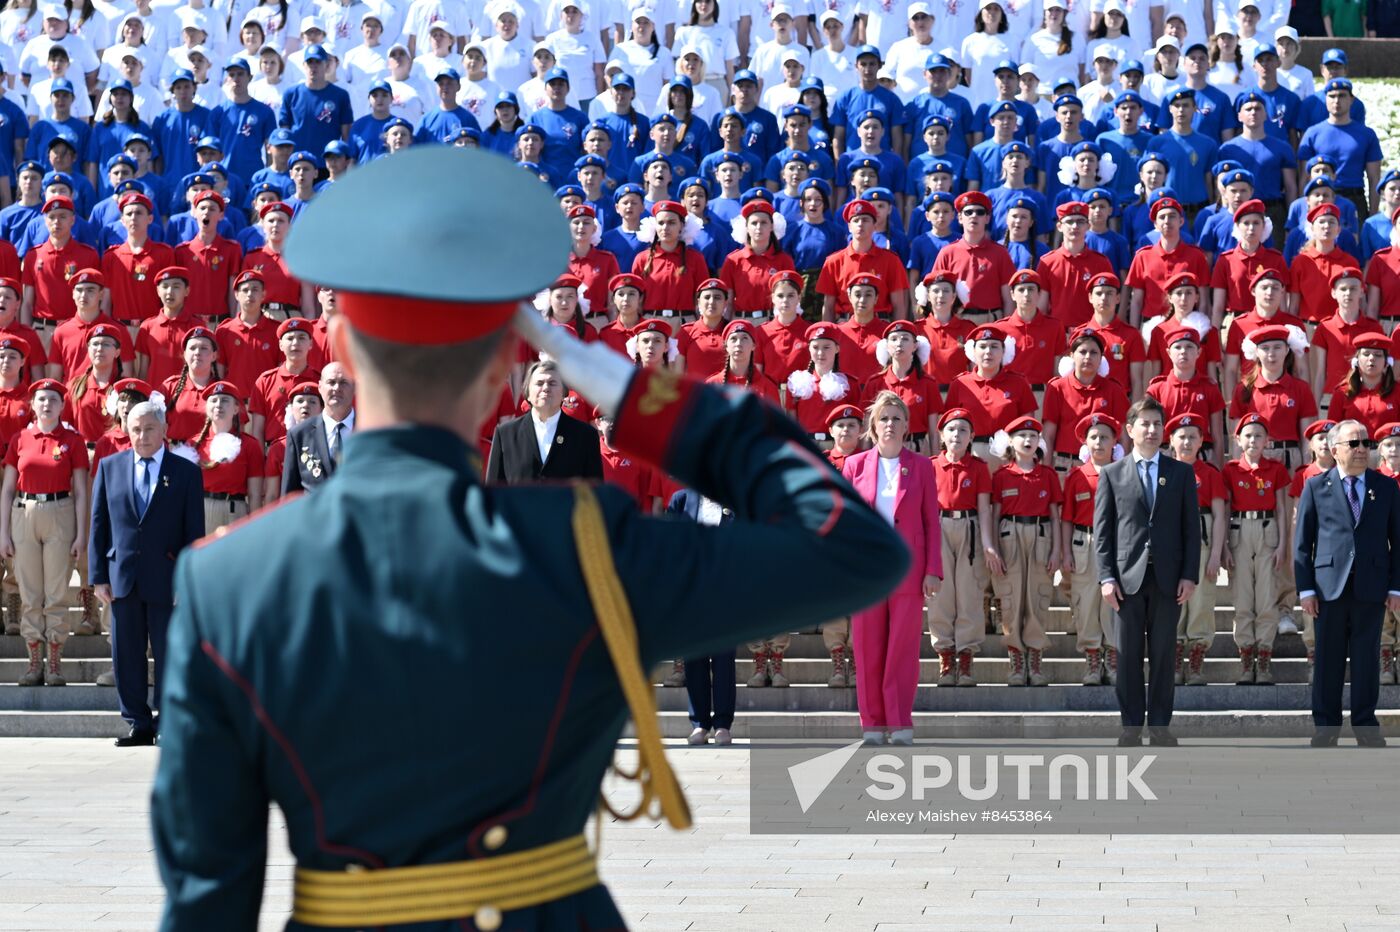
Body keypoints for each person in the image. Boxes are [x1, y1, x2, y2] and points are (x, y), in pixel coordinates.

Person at [149, 147, 906, 926]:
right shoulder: (586, 546)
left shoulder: (228, 579)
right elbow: (853, 550)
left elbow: (206, 899)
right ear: (502, 376)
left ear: (339, 349)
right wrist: (621, 384)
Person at [89, 399, 204, 747]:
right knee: (126, 655)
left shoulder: (185, 472)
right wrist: (97, 575)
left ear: (165, 430)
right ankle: (137, 723)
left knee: (169, 653)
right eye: (136, 429)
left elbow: (193, 531)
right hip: (122, 576)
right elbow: (99, 524)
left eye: (150, 428)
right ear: (126, 430)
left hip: (166, 578)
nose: (142, 435)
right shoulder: (109, 467)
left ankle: (168, 721)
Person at [1094, 397, 1202, 747]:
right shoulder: (1112, 474)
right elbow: (1104, 531)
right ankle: (1129, 724)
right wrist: (1106, 577)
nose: (1153, 430)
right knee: (1126, 656)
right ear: (1130, 430)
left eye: (1158, 424)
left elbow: (1191, 529)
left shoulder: (1181, 472)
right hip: (1127, 579)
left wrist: (1190, 575)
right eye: (1145, 424)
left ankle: (1159, 724)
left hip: (1169, 579)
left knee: (1163, 654)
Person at [841, 390, 942, 746]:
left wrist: (933, 569)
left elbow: (931, 521)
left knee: (902, 648)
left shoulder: (923, 466)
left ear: (906, 426)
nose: (889, 424)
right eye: (883, 418)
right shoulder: (854, 466)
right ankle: (872, 723)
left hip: (908, 569)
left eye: (896, 418)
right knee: (868, 647)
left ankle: (899, 721)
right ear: (872, 425)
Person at [1295, 418, 1400, 748]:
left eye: (1365, 444)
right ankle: (1326, 726)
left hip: (1371, 586)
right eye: (1354, 444)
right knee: (1327, 659)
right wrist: (1306, 588)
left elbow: (1397, 540)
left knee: (1367, 659)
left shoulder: (1384, 487)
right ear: (1335, 449)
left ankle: (1365, 725)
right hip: (1328, 588)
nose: (1361, 450)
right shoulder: (1315, 485)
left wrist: (1395, 587)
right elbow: (1302, 543)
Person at [0, 378, 89, 688]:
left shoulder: (73, 441)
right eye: (41, 399)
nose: (47, 404)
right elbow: (7, 489)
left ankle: (54, 662)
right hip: (23, 513)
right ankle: (33, 662)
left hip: (60, 512)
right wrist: (3, 533)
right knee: (30, 594)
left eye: (53, 399)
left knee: (55, 592)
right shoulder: (20, 438)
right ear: (33, 404)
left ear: (62, 405)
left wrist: (81, 533)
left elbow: (80, 490)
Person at [928, 407, 999, 686]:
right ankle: (945, 654)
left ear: (971, 437)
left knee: (969, 593)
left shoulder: (979, 467)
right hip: (939, 527)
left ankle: (966, 655)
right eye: (952, 429)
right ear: (942, 435)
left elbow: (984, 509)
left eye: (963, 430)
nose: (957, 435)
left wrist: (988, 544)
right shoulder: (931, 465)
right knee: (940, 593)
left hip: (969, 528)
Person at [668, 486, 737, 745]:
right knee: (694, 661)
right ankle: (699, 724)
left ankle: (722, 724)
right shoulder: (681, 499)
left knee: (723, 662)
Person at [486, 358, 604, 483]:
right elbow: (493, 490)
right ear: (528, 393)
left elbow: (595, 492)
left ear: (564, 393)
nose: (546, 388)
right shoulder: (505, 434)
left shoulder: (585, 436)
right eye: (539, 383)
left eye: (552, 383)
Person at [282, 362, 355, 494]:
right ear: (320, 387)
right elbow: (289, 494)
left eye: (344, 382)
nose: (337, 388)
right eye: (331, 382)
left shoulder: (370, 430)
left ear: (354, 387)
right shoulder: (299, 434)